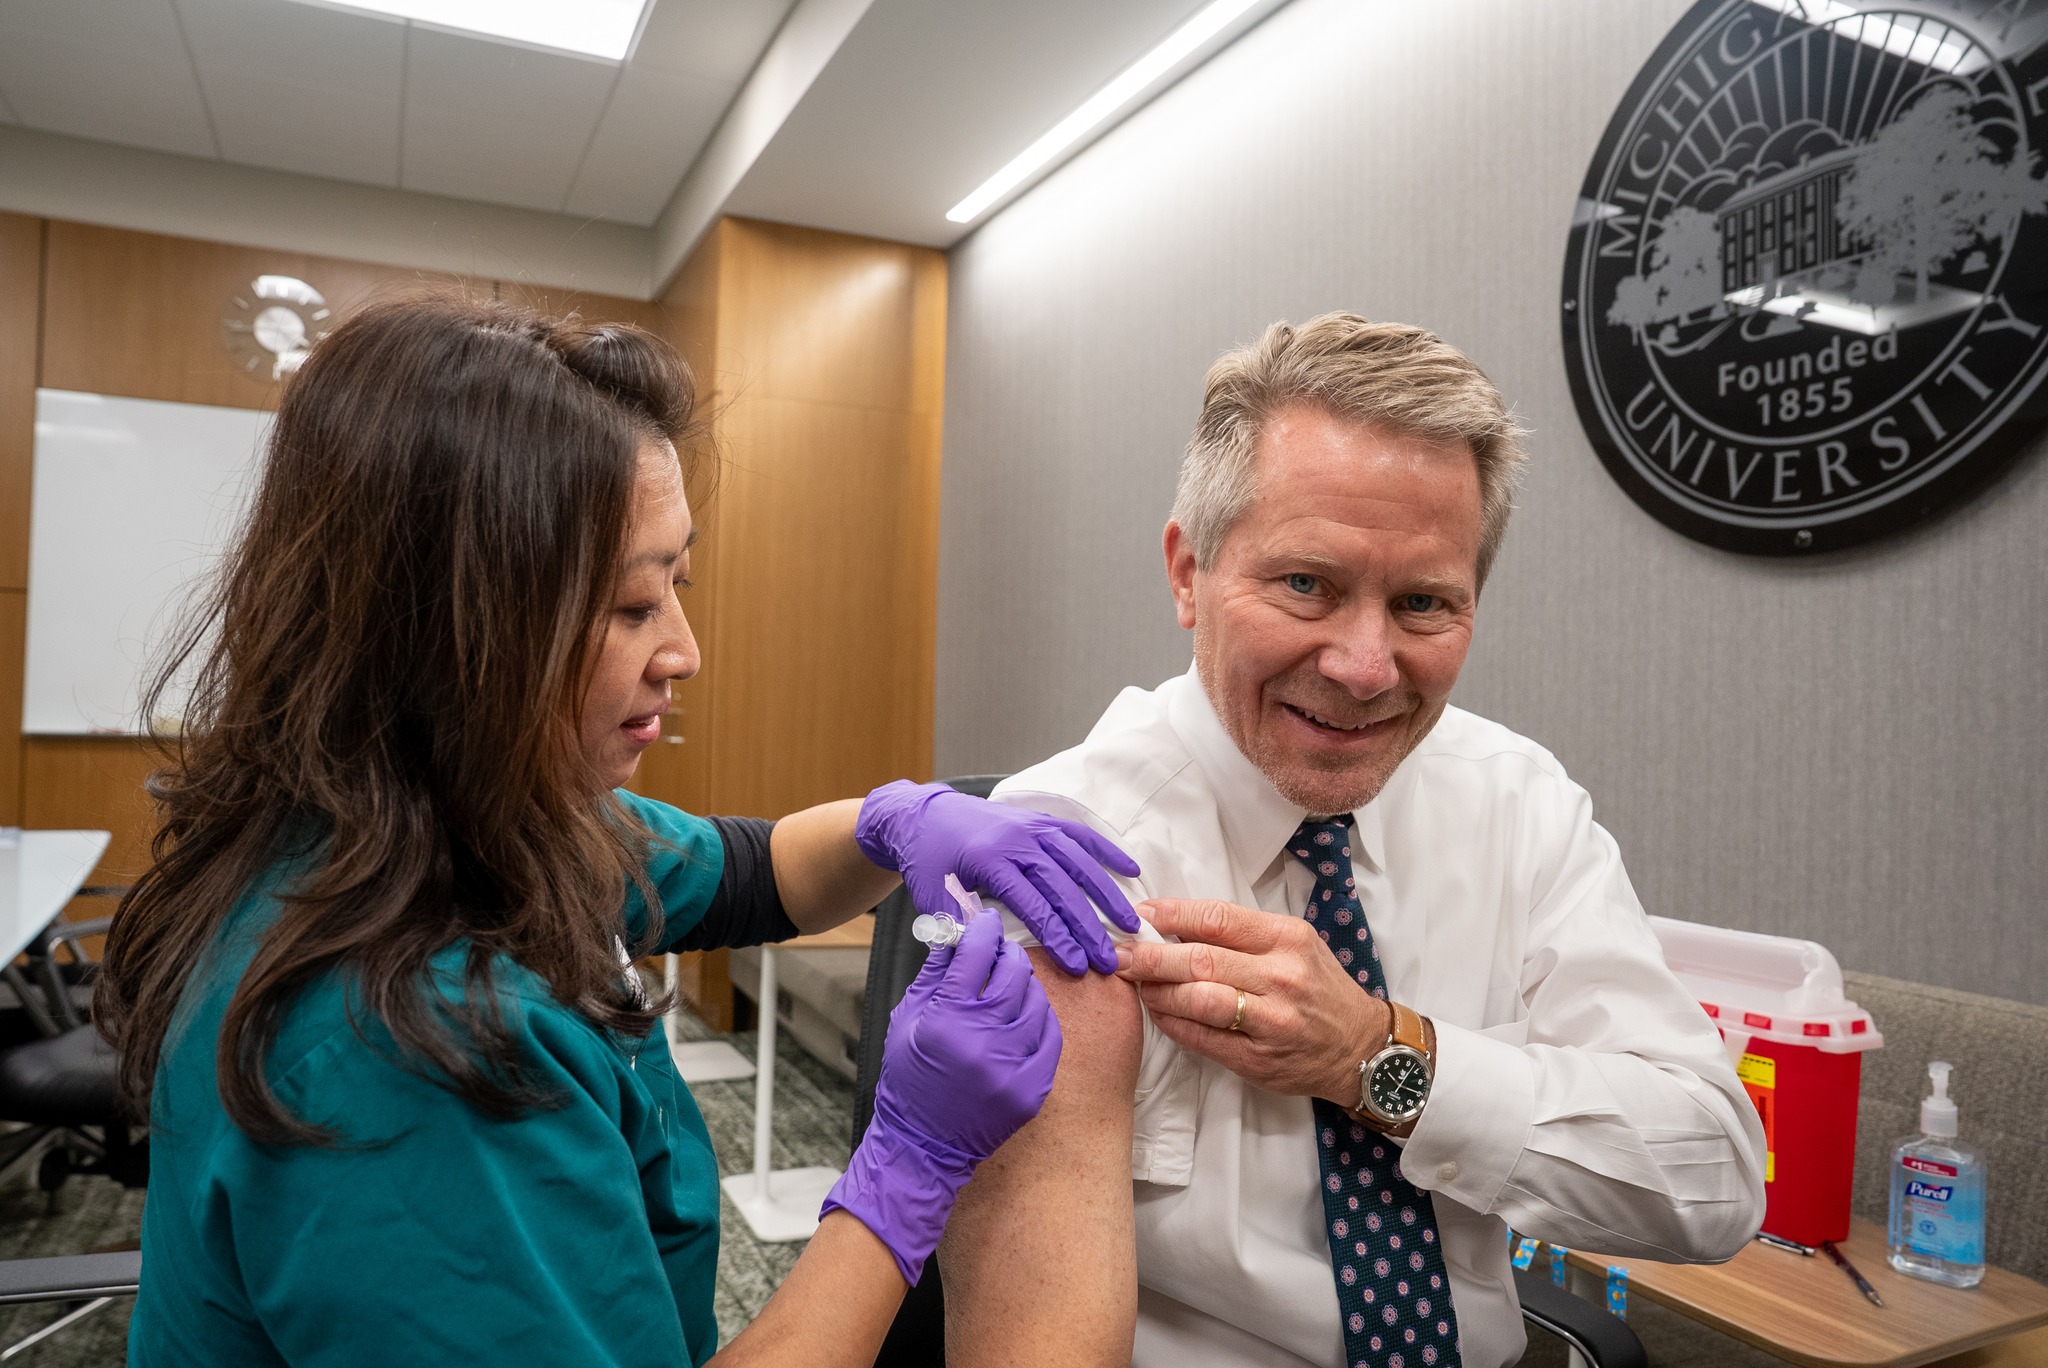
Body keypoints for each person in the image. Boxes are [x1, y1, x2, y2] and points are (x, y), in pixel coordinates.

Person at [95, 295, 1143, 1367]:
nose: (682, 651)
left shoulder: (454, 811)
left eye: (677, 582)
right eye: (629, 605)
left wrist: (896, 821)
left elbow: (748, 874)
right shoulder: (403, 1052)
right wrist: (905, 1169)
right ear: (449, 630)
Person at [937, 315, 1768, 1368]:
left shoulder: (1515, 804)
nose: (1364, 667)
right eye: (1305, 586)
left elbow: (1713, 1185)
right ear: (1188, 573)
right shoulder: (1062, 851)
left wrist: (1379, 1056)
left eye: (1422, 603)